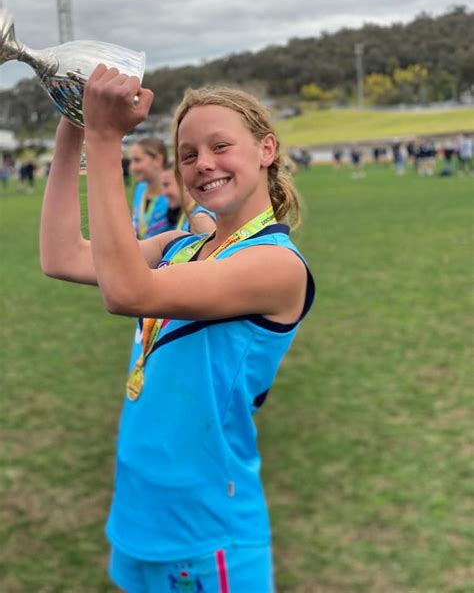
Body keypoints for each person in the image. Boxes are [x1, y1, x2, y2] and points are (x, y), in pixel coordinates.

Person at [40, 69, 314, 593]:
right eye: (188, 154)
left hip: (209, 532)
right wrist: (73, 122)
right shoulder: (178, 245)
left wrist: (104, 138)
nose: (203, 163)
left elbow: (126, 293)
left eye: (220, 146)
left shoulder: (277, 266)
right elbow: (61, 256)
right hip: (139, 515)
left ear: (266, 149)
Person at [130, 138, 171, 239]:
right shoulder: (140, 188)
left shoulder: (173, 194)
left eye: (137, 160)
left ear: (158, 160)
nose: (132, 167)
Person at [159, 165, 216, 233]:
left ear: (184, 182)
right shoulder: (187, 213)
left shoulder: (201, 218)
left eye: (166, 185)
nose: (163, 193)